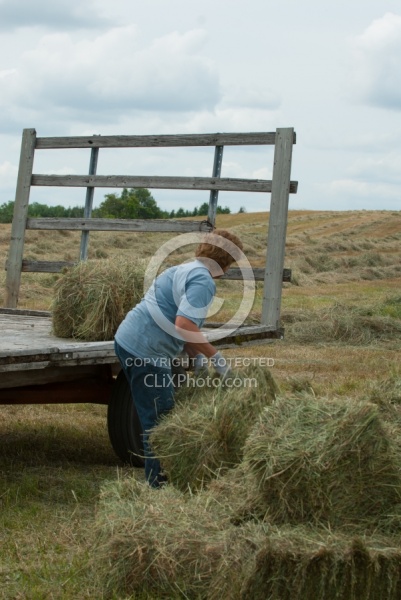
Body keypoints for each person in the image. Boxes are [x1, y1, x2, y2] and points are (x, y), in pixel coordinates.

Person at [114, 228, 244, 487]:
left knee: (157, 410)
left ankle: (160, 478)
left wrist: (196, 358)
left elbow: (176, 319)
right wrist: (218, 360)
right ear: (225, 262)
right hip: (147, 352)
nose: (229, 270)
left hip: (128, 340)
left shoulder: (182, 269)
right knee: (161, 421)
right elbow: (184, 324)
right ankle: (158, 486)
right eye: (231, 263)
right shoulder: (203, 281)